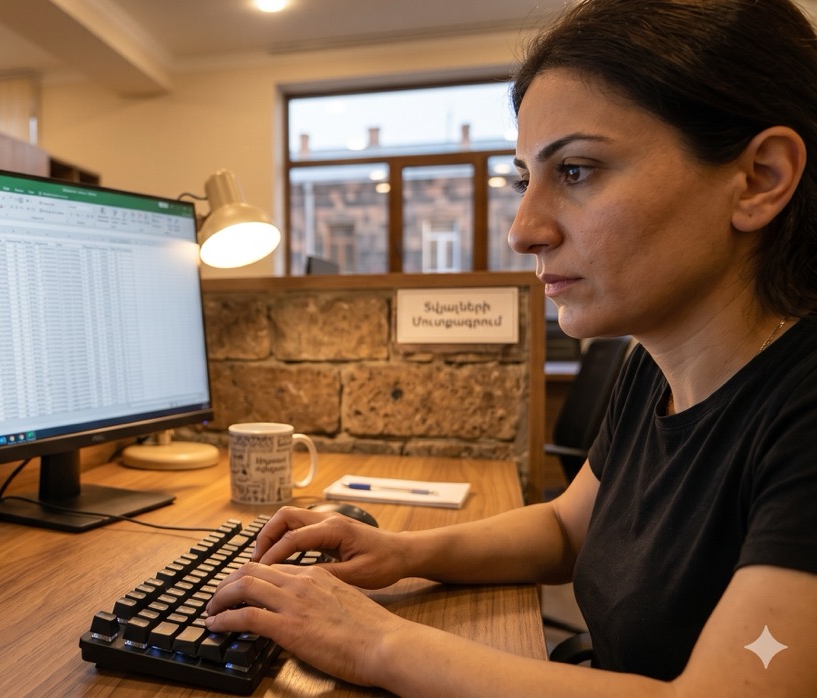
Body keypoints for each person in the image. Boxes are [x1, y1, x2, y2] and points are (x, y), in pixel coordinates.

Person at [204, 0, 817, 695]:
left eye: (577, 170)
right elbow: (565, 530)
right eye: (528, 178)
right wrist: (400, 552)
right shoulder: (653, 367)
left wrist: (373, 639)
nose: (523, 231)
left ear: (761, 178)